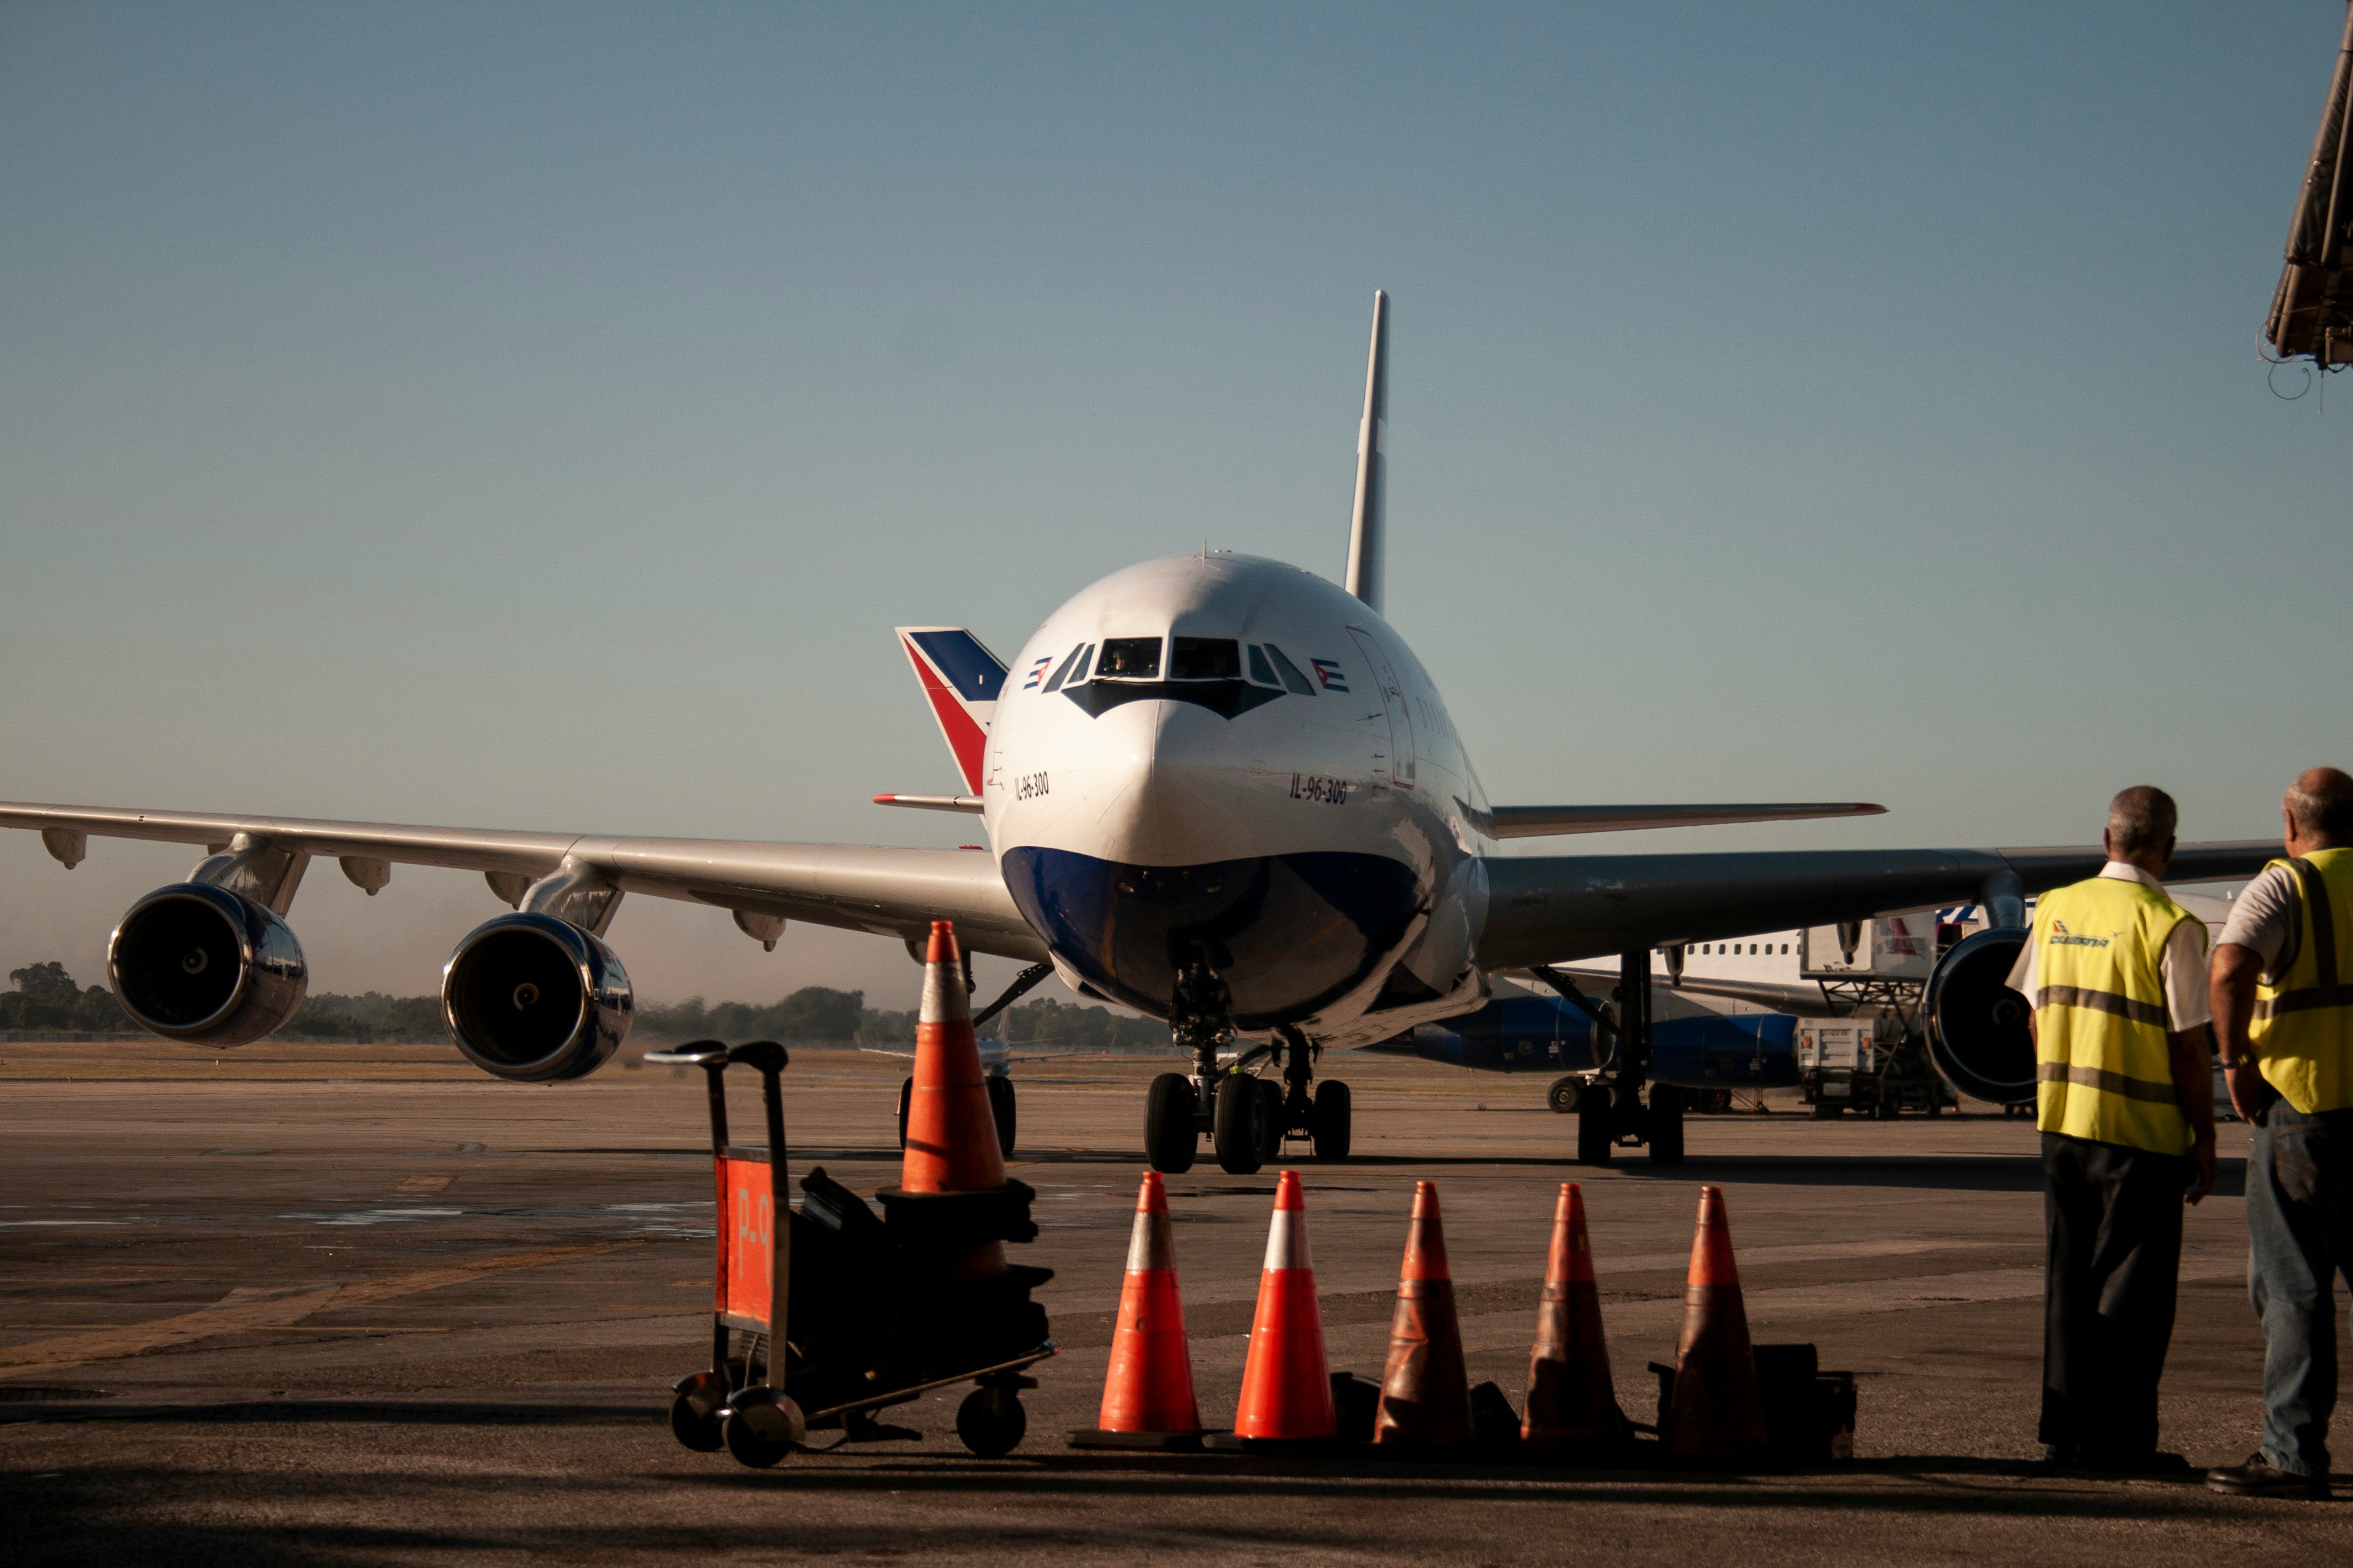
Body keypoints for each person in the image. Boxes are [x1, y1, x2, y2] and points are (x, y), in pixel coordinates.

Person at [2005, 784, 2217, 1471]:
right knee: (2133, 1288)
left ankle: (2064, 1433)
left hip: (2062, 1124)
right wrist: (2205, 1134)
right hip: (2140, 1131)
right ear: (2169, 849)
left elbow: (2034, 1015)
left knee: (2067, 1277)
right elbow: (2189, 1045)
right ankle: (2119, 1442)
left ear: (2106, 840)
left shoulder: (2055, 908)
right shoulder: (2172, 925)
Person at [2205, 766, 2353, 1502]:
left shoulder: (2285, 885)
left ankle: (2292, 1454)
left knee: (2291, 1285)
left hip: (2303, 1108)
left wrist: (2234, 1062)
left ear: (2290, 823)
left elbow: (2229, 967)